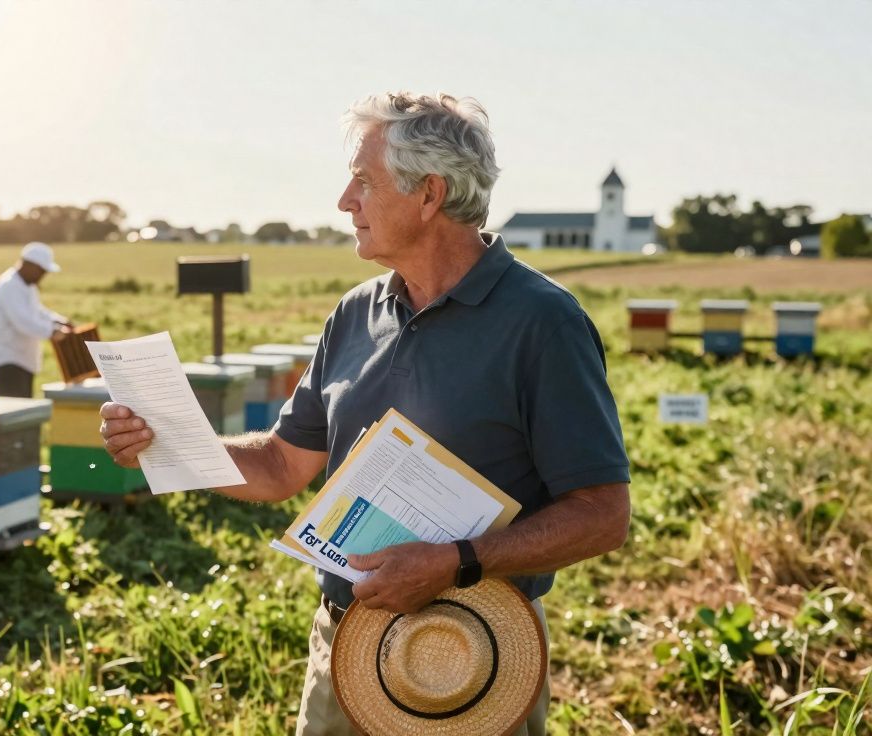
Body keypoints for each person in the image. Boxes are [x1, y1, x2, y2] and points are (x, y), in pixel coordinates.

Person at [98, 92, 631, 736]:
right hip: (347, 646)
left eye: (362, 181)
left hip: (477, 654)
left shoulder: (544, 322)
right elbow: (279, 466)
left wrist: (457, 560)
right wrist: (168, 440)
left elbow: (603, 514)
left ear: (429, 195)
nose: (344, 202)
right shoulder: (353, 313)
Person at [0, 242, 71, 398]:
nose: (43, 275)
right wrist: (52, 331)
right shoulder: (9, 285)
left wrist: (59, 320)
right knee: (13, 414)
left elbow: (37, 311)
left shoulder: (27, 286)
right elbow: (23, 321)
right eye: (41, 270)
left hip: (21, 360)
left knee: (23, 411)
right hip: (7, 361)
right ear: (29, 265)